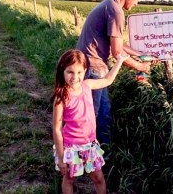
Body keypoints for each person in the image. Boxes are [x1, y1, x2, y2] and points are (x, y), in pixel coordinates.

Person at [76, 0, 153, 144]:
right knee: (92, 114)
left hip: (91, 64)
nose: (136, 3)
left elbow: (117, 41)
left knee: (104, 110)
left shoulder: (109, 4)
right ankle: (84, 155)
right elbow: (117, 52)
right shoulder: (116, 10)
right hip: (93, 66)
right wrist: (140, 66)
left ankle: (103, 150)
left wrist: (139, 53)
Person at [51, 49, 129, 194]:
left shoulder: (87, 85)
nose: (75, 77)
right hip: (71, 147)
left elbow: (107, 80)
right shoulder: (61, 97)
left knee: (98, 178)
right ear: (63, 71)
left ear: (85, 71)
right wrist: (61, 158)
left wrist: (119, 61)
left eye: (79, 72)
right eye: (70, 72)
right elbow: (57, 128)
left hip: (90, 144)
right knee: (69, 178)